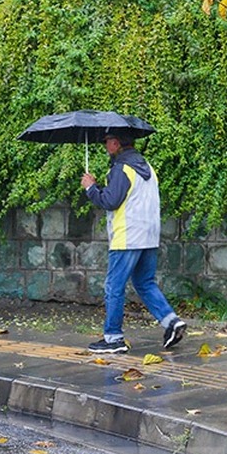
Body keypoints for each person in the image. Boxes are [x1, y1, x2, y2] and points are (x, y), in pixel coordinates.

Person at [80, 131, 186, 354]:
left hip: (127, 235)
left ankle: (113, 338)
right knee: (144, 282)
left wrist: (90, 188)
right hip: (149, 235)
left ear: (116, 143)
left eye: (107, 141)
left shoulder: (121, 168)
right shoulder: (145, 166)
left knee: (114, 287)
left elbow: (110, 201)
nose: (105, 145)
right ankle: (171, 321)